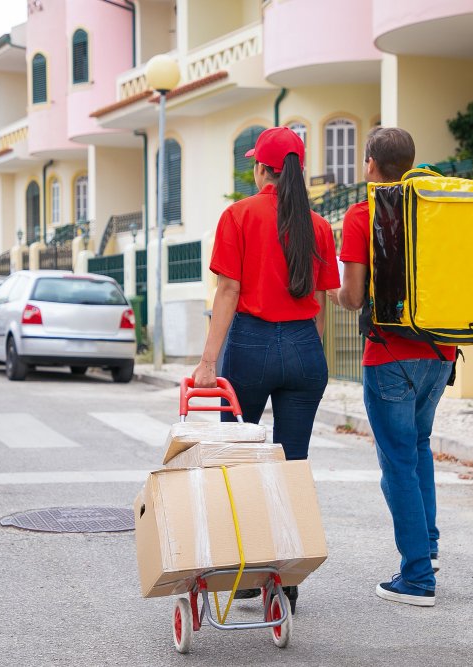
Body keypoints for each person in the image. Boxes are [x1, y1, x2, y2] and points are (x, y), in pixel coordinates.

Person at [191, 126, 341, 610]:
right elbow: (320, 302)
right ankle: (287, 580)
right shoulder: (318, 226)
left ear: (262, 169)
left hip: (250, 347)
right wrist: (303, 353)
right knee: (292, 465)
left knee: (239, 466)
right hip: (303, 349)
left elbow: (228, 292)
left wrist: (208, 361)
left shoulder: (238, 216)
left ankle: (248, 572)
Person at [332, 127, 456, 607]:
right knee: (419, 447)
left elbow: (354, 296)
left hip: (390, 356)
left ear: (370, 164)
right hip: (441, 354)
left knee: (398, 463)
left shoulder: (364, 215)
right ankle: (428, 547)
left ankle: (417, 578)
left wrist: (333, 292)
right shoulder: (436, 208)